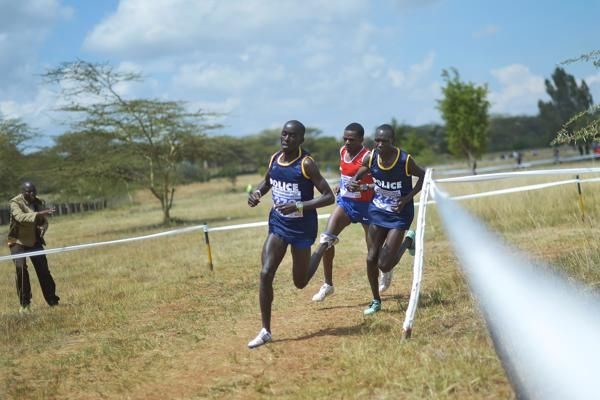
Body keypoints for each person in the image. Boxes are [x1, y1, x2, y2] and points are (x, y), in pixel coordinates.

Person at [247, 120, 335, 348]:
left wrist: (299, 206)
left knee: (300, 282)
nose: (286, 139)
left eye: (292, 136)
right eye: (284, 134)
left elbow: (329, 197)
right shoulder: (274, 159)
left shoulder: (306, 164)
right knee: (266, 273)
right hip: (278, 224)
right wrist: (257, 193)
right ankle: (265, 330)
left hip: (302, 228)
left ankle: (324, 246)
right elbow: (268, 181)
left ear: (301, 139)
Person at [310, 122, 414, 301]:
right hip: (347, 204)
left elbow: (380, 182)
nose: (347, 142)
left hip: (367, 206)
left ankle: (385, 272)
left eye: (351, 139)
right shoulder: (342, 151)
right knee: (327, 238)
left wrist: (365, 186)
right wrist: (340, 185)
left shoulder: (369, 156)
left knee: (373, 254)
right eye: (345, 138)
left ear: (361, 140)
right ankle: (328, 284)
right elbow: (345, 174)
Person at [347, 124, 425, 316]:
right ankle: (376, 300)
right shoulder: (372, 156)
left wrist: (406, 199)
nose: (380, 144)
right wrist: (356, 180)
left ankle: (408, 241)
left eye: (384, 141)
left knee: (384, 264)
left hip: (399, 214)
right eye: (377, 140)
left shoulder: (405, 160)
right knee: (371, 258)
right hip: (377, 210)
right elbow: (364, 168)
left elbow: (423, 176)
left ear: (393, 142)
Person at [8, 182, 59, 313]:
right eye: (29, 192)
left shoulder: (38, 202)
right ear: (23, 192)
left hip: (34, 240)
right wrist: (39, 213)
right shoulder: (15, 202)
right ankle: (25, 304)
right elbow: (20, 217)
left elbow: (44, 221)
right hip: (17, 241)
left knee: (43, 269)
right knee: (21, 269)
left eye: (34, 192)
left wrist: (43, 227)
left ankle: (52, 301)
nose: (32, 194)